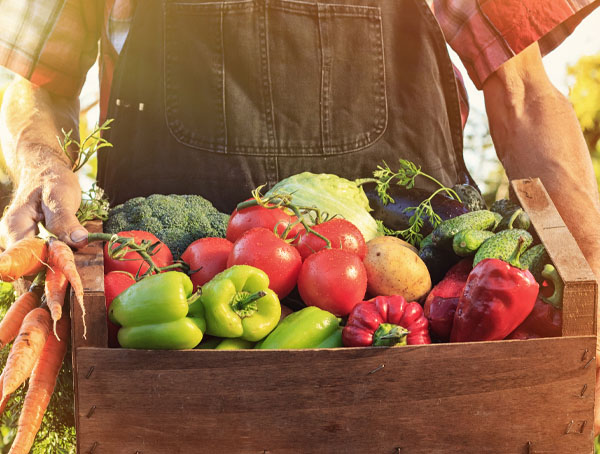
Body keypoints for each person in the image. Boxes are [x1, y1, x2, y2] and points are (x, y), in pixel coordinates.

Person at [0, 0, 600, 433]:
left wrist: (592, 269)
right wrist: (41, 164)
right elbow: (36, 82)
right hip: (168, 354)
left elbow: (521, 93)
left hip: (409, 342)